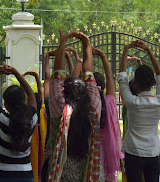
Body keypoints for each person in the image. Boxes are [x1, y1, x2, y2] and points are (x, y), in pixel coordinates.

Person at [41, 31, 101, 182]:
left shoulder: (59, 107)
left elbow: (57, 74)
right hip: (87, 171)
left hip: (59, 172)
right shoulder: (93, 108)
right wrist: (86, 43)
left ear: (64, 91)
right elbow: (88, 71)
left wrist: (64, 41)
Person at [118, 40, 160, 182]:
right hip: (152, 153)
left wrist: (126, 49)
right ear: (152, 83)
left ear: (136, 83)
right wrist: (149, 51)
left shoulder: (132, 102)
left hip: (134, 152)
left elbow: (122, 78)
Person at [0, 64, 38, 181]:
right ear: (24, 101)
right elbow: (31, 95)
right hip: (26, 175)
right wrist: (16, 73)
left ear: (6, 105)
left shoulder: (3, 120)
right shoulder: (32, 119)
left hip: (3, 175)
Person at [93, 47, 124, 182]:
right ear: (104, 86)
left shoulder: (89, 103)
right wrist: (103, 56)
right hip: (109, 148)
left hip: (93, 148)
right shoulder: (110, 101)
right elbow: (110, 76)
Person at [23, 71, 48, 182]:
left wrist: (22, 78)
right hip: (43, 146)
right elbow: (41, 91)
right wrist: (37, 77)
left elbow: (23, 95)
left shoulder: (27, 116)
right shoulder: (43, 111)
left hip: (30, 150)